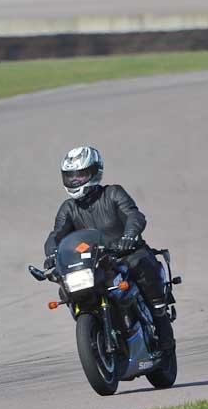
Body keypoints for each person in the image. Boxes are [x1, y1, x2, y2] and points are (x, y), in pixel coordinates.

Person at [43, 146, 174, 350]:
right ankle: (92, 331)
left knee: (141, 265)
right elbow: (57, 234)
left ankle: (161, 322)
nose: (75, 181)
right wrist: (52, 254)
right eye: (70, 176)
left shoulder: (113, 193)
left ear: (95, 172)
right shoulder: (68, 208)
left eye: (81, 175)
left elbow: (133, 215)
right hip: (95, 261)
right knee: (66, 287)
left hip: (125, 253)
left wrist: (129, 235)